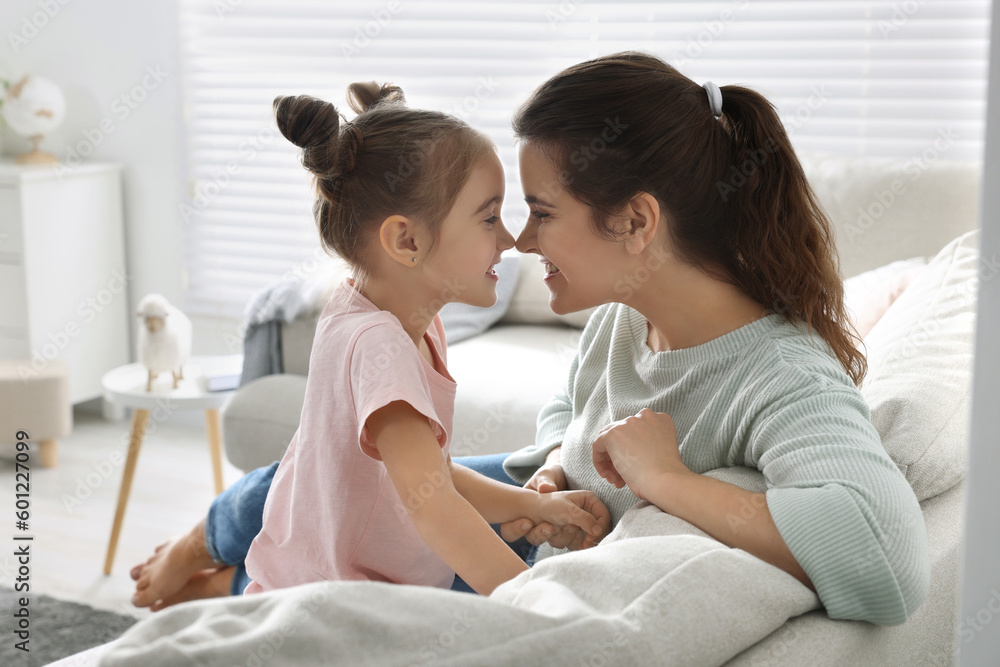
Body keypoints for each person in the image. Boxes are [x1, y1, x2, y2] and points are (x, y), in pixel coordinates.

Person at [132, 52, 929, 625]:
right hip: (535, 515)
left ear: (636, 222)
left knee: (344, 487)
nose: (519, 239)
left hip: (513, 560)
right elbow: (568, 410)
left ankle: (228, 577)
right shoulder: (624, 315)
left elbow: (888, 563)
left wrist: (666, 480)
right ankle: (203, 548)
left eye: (541, 211)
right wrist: (551, 466)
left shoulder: (783, 376)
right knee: (318, 471)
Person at [132, 81, 612, 604]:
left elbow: (433, 475)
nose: (509, 239)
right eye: (489, 217)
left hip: (333, 567)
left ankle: (218, 587)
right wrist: (536, 604)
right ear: (406, 241)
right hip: (339, 602)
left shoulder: (394, 314)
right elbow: (436, 509)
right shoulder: (381, 346)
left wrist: (533, 506)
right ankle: (217, 580)